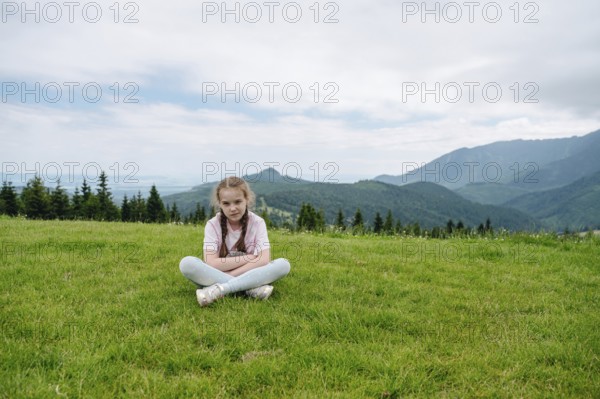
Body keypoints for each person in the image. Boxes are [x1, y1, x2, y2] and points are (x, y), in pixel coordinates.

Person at [179, 176, 290, 307]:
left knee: (283, 265)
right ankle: (251, 288)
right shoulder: (212, 225)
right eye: (226, 203)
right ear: (220, 204)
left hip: (221, 275)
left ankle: (220, 289)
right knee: (187, 263)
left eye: (237, 202)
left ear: (246, 200)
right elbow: (212, 263)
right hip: (246, 274)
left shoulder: (258, 223)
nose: (232, 208)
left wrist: (229, 274)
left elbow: (264, 260)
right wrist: (251, 257)